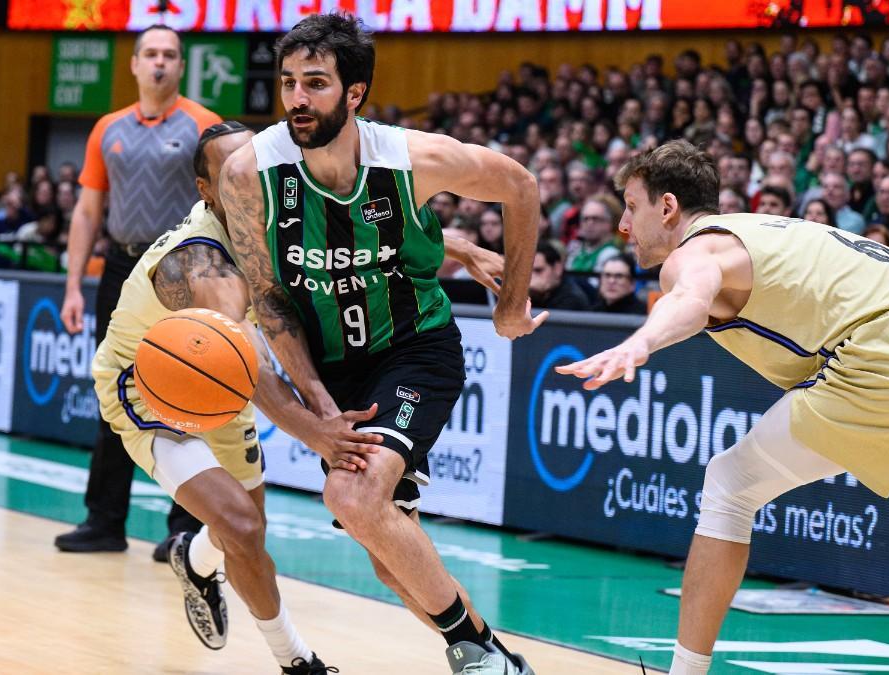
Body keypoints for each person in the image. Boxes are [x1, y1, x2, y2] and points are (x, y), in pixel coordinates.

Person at [557, 139, 889, 675]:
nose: (623, 225)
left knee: (729, 485)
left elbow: (689, 298)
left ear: (667, 207)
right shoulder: (768, 228)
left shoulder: (695, 251)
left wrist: (641, 343)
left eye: (632, 207)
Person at [219, 14, 542, 675]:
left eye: (315, 82)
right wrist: (317, 403)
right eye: (288, 83)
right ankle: (500, 660)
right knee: (392, 562)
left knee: (353, 496)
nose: (298, 99)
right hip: (333, 371)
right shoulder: (250, 172)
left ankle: (476, 653)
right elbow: (271, 299)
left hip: (414, 346)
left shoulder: (412, 159)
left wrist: (509, 306)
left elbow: (522, 186)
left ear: (355, 92)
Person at [93, 121, 347, 674]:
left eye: (254, 164)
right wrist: (320, 436)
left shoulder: (278, 217)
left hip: (216, 384)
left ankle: (195, 559)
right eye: (231, 170)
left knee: (247, 535)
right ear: (206, 188)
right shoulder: (199, 260)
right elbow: (251, 370)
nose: (247, 177)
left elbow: (360, 239)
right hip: (149, 387)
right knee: (244, 527)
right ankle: (297, 661)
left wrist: (460, 246)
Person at [55, 24, 222, 560]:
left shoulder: (204, 125)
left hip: (185, 271)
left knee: (193, 397)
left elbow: (226, 203)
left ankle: (186, 528)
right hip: (120, 271)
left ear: (181, 66)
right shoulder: (108, 128)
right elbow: (87, 211)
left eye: (169, 55)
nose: (159, 63)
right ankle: (104, 521)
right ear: (133, 64)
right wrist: (72, 287)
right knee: (115, 396)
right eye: (150, 53)